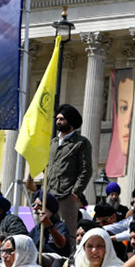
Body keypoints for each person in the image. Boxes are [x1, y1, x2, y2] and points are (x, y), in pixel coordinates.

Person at [45, 103, 94, 254]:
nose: (58, 122)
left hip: (67, 194)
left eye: (62, 119)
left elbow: (86, 170)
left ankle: (68, 257)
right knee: (46, 226)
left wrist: (75, 192)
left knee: (67, 229)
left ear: (70, 121)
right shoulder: (53, 143)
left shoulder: (81, 143)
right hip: (50, 193)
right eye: (57, 119)